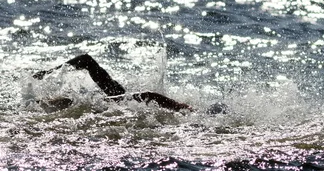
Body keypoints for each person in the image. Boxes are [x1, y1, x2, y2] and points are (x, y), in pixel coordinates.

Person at [31, 53, 225, 113]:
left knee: (148, 95)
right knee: (149, 95)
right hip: (115, 105)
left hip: (116, 101)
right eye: (53, 100)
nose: (54, 98)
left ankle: (188, 109)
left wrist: (49, 72)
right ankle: (188, 109)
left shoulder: (88, 104)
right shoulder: (85, 107)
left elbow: (86, 60)